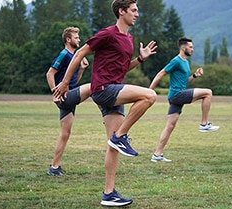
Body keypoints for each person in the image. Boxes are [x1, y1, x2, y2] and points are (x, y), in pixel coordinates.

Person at [52, 0, 157, 206]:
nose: (137, 14)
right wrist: (65, 82)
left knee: (112, 146)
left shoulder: (129, 39)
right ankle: (121, 136)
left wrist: (140, 60)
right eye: (134, 10)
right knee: (149, 95)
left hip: (113, 89)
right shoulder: (107, 34)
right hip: (103, 89)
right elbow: (81, 52)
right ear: (122, 11)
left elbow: (121, 69)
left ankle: (109, 194)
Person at [149, 37, 219, 163]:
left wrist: (194, 76)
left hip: (177, 95)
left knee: (170, 126)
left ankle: (157, 154)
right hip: (177, 95)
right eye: (190, 47)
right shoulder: (176, 61)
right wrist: (149, 90)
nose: (192, 49)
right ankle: (204, 124)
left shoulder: (185, 62)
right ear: (183, 47)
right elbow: (161, 73)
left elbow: (184, 82)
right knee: (208, 93)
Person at [46, 27, 90, 176]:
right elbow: (50, 73)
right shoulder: (65, 54)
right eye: (76, 37)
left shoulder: (75, 57)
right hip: (63, 97)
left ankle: (54, 167)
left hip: (69, 94)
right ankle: (110, 109)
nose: (79, 39)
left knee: (65, 133)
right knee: (93, 87)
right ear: (68, 40)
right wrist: (55, 92)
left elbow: (73, 82)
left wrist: (82, 69)